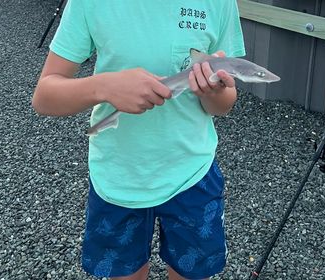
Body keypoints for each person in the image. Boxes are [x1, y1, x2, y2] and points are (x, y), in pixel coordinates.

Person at [32, 0, 245, 279]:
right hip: (118, 177)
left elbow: (223, 105)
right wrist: (104, 86)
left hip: (193, 173)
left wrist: (212, 92)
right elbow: (44, 97)